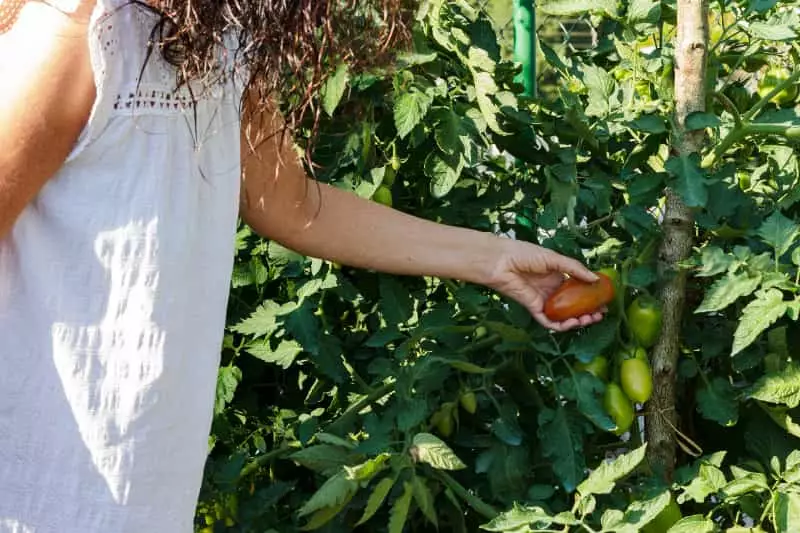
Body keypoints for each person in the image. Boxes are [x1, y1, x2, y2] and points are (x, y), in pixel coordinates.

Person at [0, 0, 604, 531]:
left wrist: (495, 258)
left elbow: (291, 205)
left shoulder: (215, 36)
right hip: (38, 491)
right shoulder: (77, 30)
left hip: (136, 490)